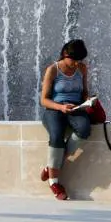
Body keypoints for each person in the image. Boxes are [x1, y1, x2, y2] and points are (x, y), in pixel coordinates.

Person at [39, 39, 92, 201]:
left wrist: (87, 100)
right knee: (56, 136)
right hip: (55, 109)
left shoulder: (82, 68)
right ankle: (54, 182)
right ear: (65, 54)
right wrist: (61, 107)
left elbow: (84, 91)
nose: (76, 64)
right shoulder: (52, 70)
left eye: (79, 60)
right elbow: (44, 100)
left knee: (84, 129)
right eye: (73, 60)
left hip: (75, 109)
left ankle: (51, 167)